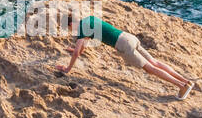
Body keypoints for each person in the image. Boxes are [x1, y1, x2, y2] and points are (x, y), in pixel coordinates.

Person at [56, 14, 195, 99]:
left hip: (124, 46)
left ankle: (181, 86)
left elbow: (76, 53)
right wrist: (75, 49)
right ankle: (186, 81)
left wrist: (68, 69)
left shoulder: (81, 29)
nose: (71, 32)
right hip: (128, 37)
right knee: (155, 62)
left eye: (69, 29)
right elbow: (81, 49)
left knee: (150, 68)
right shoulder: (88, 20)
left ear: (70, 24)